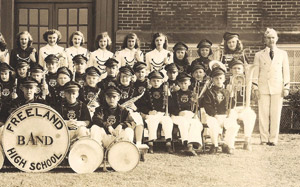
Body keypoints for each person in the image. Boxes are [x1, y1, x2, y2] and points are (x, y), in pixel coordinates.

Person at [253, 28, 290, 146]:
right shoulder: (258, 55)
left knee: (276, 114)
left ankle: (273, 139)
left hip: (277, 87)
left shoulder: (283, 54)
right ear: (265, 40)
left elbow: (286, 72)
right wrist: (255, 87)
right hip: (263, 87)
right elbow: (255, 72)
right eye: (268, 38)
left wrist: (286, 87)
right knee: (263, 114)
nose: (271, 40)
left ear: (277, 39)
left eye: (273, 37)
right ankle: (264, 138)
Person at [202, 66, 240, 154]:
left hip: (224, 115)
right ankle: (215, 145)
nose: (218, 81)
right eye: (216, 79)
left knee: (234, 126)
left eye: (220, 78)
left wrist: (233, 95)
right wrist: (214, 115)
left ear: (224, 79)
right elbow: (207, 106)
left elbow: (231, 105)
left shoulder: (227, 91)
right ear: (212, 80)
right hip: (213, 115)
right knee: (213, 124)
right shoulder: (209, 92)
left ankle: (227, 145)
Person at [138, 71, 174, 154]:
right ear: (150, 82)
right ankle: (151, 143)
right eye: (153, 81)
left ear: (161, 81)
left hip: (163, 114)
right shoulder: (147, 92)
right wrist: (149, 111)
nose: (156, 83)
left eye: (158, 81)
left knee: (168, 122)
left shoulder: (165, 91)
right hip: (152, 114)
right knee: (152, 122)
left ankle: (168, 143)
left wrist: (169, 95)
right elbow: (142, 105)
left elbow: (172, 104)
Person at [170, 72, 203, 156]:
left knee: (195, 123)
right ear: (178, 84)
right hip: (177, 116)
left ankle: (190, 145)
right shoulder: (174, 95)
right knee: (183, 122)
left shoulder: (193, 93)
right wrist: (179, 112)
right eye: (181, 83)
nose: (183, 85)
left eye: (185, 83)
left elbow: (197, 108)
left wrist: (196, 103)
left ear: (189, 83)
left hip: (190, 115)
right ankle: (185, 143)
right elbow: (171, 107)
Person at [226, 59, 256, 150]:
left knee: (251, 115)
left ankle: (247, 140)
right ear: (231, 70)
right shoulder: (226, 81)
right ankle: (229, 142)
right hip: (231, 108)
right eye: (234, 68)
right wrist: (230, 90)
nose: (236, 70)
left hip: (244, 107)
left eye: (239, 68)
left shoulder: (247, 82)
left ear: (243, 70)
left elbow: (251, 99)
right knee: (230, 117)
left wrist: (249, 89)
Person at [116, 65, 144, 146]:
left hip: (131, 111)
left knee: (138, 118)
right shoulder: (115, 89)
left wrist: (136, 108)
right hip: (118, 111)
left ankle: (138, 144)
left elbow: (142, 105)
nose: (124, 79)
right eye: (122, 77)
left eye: (127, 77)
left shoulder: (135, 90)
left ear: (131, 78)